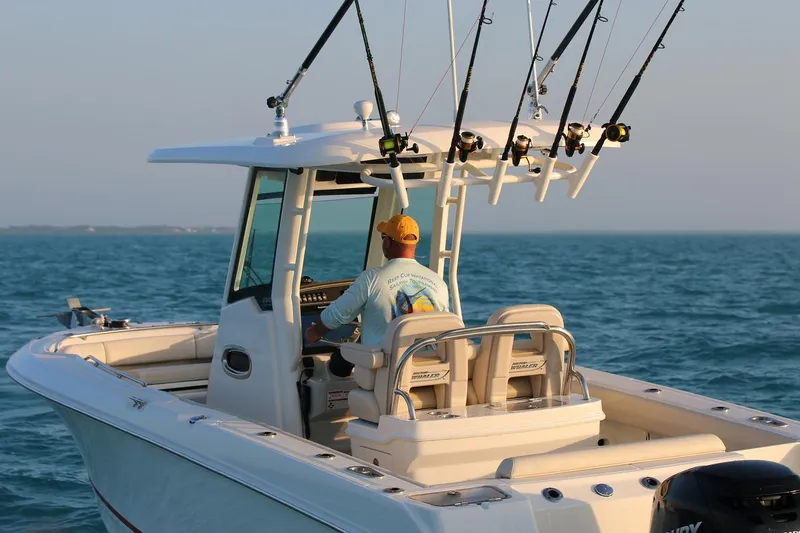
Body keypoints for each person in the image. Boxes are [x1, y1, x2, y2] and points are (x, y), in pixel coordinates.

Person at [304, 214, 450, 375]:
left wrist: (315, 332)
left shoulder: (372, 279)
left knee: (337, 367)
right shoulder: (438, 283)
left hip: (384, 377)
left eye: (383, 237)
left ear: (387, 241)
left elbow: (335, 316)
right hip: (426, 373)